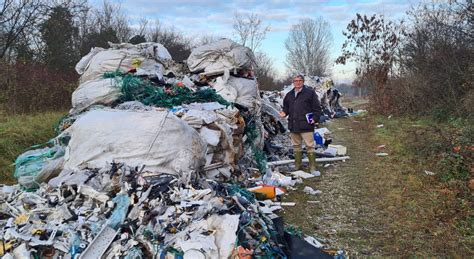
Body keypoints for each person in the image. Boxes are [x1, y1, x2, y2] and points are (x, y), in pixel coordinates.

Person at [279, 75, 321, 172]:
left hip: (306, 124)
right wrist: (284, 113)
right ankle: (298, 165)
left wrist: (315, 118)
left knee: (310, 146)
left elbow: (317, 108)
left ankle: (312, 166)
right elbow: (286, 107)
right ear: (293, 82)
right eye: (296, 81)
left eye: (300, 80)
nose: (297, 82)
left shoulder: (310, 93)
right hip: (293, 125)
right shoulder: (289, 95)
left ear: (303, 81)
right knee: (296, 146)